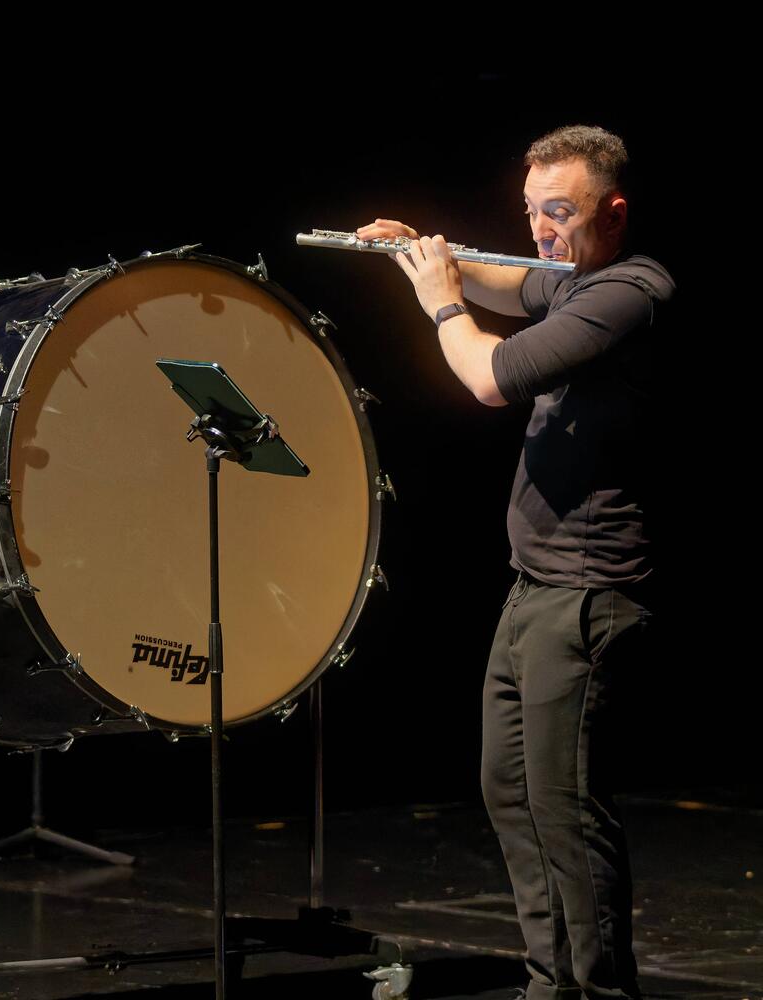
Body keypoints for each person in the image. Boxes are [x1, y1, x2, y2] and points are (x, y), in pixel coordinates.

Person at [358, 125, 674, 1000]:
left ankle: (596, 989)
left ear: (612, 212)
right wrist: (424, 252)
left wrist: (440, 302)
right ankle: (551, 983)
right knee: (511, 793)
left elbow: (490, 377)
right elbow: (507, 273)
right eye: (531, 211)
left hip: (587, 594)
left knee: (567, 812)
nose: (539, 230)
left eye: (558, 213)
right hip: (533, 587)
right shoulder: (576, 278)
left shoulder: (629, 294)